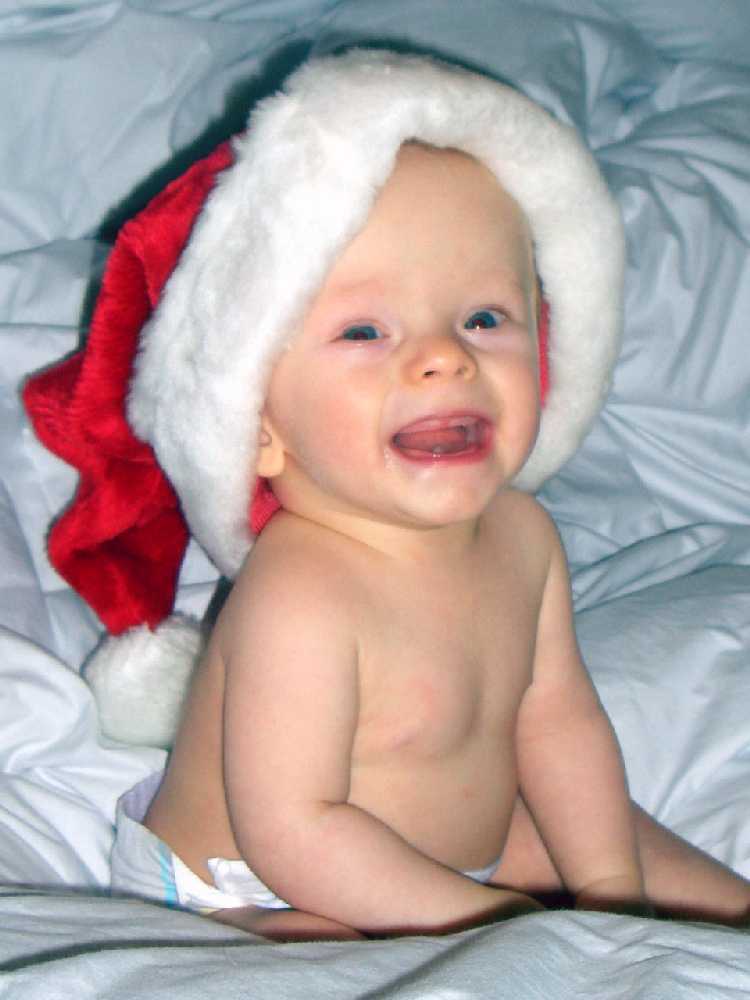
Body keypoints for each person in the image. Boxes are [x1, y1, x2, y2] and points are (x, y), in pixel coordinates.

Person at [24, 50, 750, 941]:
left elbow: (557, 721)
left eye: (484, 317)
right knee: (346, 967)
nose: (446, 357)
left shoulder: (524, 537)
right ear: (256, 426)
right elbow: (297, 829)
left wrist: (611, 894)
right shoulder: (302, 593)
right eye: (366, 331)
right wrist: (510, 927)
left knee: (659, 869)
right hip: (260, 884)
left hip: (463, 850)